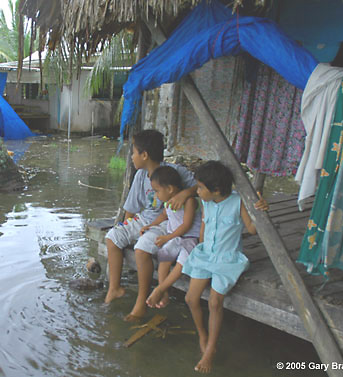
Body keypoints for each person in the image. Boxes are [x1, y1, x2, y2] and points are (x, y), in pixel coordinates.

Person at [182, 160, 268, 373]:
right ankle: (203, 334)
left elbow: (252, 229)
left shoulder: (238, 202)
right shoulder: (207, 202)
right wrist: (201, 247)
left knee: (214, 302)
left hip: (227, 259)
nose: (197, 190)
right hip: (206, 255)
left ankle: (211, 348)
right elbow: (204, 226)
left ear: (216, 189)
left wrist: (261, 210)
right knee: (190, 298)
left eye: (200, 187)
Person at [104, 129, 197, 321]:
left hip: (165, 223)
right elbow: (131, 208)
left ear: (144, 155)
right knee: (112, 238)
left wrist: (185, 193)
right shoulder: (140, 176)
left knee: (141, 249)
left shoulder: (174, 172)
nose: (131, 157)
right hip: (145, 220)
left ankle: (141, 302)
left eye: (133, 152)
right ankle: (115, 288)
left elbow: (201, 185)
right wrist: (125, 228)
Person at [141, 165, 202, 309]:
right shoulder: (167, 202)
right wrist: (150, 226)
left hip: (190, 238)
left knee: (182, 261)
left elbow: (186, 225)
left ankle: (160, 289)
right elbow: (163, 216)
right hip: (175, 238)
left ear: (169, 189)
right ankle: (164, 292)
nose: (155, 195)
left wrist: (168, 237)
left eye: (157, 191)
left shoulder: (189, 201)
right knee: (163, 258)